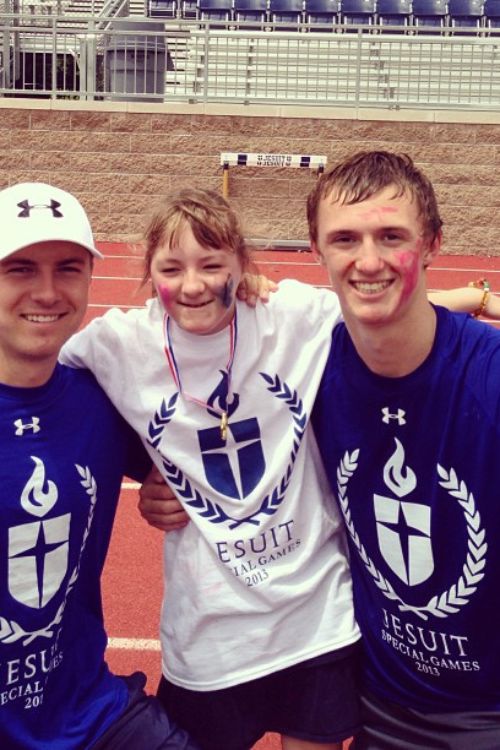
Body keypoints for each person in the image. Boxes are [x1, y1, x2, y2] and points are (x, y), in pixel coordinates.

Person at [59, 188, 363, 750]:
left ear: (242, 265)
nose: (193, 284)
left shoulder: (291, 315)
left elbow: (386, 309)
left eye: (213, 264)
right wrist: (141, 471)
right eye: (171, 267)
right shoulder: (117, 343)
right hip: (210, 639)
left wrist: (482, 293)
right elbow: (35, 368)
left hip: (315, 619)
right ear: (149, 272)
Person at [308, 150, 500, 749]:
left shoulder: (489, 382)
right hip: (373, 700)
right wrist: (162, 486)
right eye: (344, 239)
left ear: (433, 243)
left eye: (392, 236)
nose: (368, 261)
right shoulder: (306, 373)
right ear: (317, 250)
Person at [0, 181, 200, 750]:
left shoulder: (104, 399)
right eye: (19, 269)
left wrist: (170, 490)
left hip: (88, 713)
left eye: (67, 268)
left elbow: (198, 471)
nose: (46, 291)